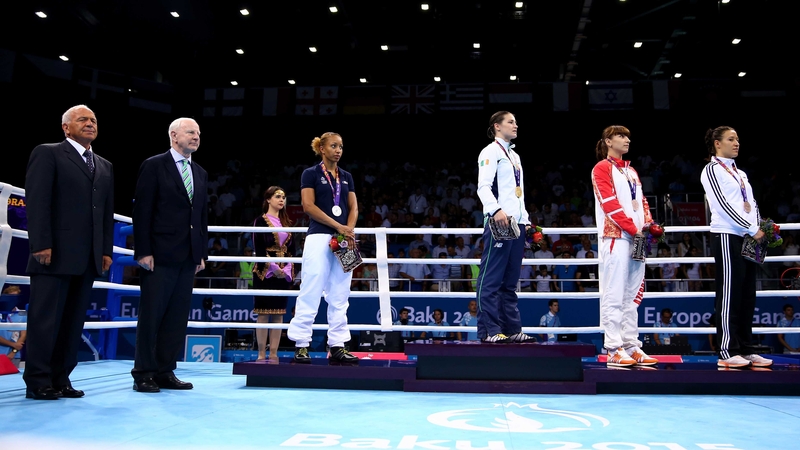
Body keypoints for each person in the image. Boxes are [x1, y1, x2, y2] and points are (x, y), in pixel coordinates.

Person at [23, 104, 114, 400]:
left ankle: (62, 377)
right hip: (54, 253)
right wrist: (40, 243)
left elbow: (105, 213)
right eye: (83, 119)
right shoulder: (48, 152)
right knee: (45, 320)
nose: (90, 123)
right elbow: (37, 201)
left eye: (94, 120)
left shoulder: (103, 165)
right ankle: (38, 380)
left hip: (87, 257)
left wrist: (105, 250)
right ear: (66, 127)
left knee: (73, 322)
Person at [131, 117, 208, 393]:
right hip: (159, 254)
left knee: (176, 318)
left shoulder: (199, 172)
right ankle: (143, 373)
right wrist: (143, 251)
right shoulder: (154, 165)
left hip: (188, 256)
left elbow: (201, 216)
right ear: (174, 135)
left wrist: (201, 253)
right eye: (190, 132)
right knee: (152, 316)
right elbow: (142, 211)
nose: (196, 136)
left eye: (198, 133)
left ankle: (165, 371)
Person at [700, 125, 773, 369]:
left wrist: (761, 226)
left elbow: (750, 202)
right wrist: (751, 228)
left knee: (747, 293)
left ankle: (746, 348)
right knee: (730, 293)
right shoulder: (711, 170)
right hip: (727, 235)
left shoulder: (740, 173)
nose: (737, 143)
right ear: (717, 143)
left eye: (738, 139)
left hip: (749, 237)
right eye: (731, 139)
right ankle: (727, 349)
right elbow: (721, 205)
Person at [287, 132, 359, 365]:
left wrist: (348, 230)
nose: (338, 150)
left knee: (341, 293)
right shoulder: (311, 173)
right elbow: (308, 206)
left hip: (343, 239)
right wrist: (339, 226)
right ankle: (301, 345)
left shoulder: (346, 176)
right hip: (319, 236)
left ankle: (337, 345)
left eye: (341, 146)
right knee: (311, 287)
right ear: (322, 149)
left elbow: (353, 207)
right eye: (333, 146)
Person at [591, 125, 657, 367]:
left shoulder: (631, 171)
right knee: (614, 293)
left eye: (628, 136)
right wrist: (632, 228)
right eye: (621, 136)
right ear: (608, 141)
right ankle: (613, 347)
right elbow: (608, 203)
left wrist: (648, 224)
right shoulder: (601, 168)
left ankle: (631, 345)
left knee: (632, 296)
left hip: (637, 238)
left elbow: (642, 202)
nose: (627, 140)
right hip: (616, 237)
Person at [473, 111, 535, 344]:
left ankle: (512, 329)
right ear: (497, 126)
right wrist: (495, 210)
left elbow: (518, 194)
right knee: (490, 279)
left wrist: (526, 220)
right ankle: (490, 331)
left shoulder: (515, 156)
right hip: (499, 222)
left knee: (509, 281)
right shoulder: (490, 152)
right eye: (511, 122)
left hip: (516, 224)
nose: (515, 125)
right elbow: (483, 187)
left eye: (516, 122)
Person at [251, 186, 296, 362]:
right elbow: (258, 248)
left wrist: (286, 269)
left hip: (284, 272)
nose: (281, 200)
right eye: (277, 196)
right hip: (265, 272)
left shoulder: (287, 223)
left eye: (283, 197)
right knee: (263, 313)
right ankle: (261, 353)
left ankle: (274, 353)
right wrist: (272, 267)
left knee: (278, 314)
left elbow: (292, 250)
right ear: (268, 199)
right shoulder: (260, 221)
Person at [0, 286, 26, 368]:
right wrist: (13, 344)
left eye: (15, 297)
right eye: (11, 296)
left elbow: (23, 336)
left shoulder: (22, 314)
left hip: (14, 355)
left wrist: (13, 352)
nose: (13, 299)